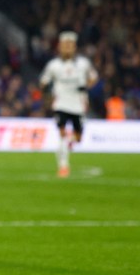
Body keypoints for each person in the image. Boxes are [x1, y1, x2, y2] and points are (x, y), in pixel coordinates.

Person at [39, 31, 99, 178]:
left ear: (74, 47)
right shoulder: (53, 65)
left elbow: (93, 77)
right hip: (60, 104)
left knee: (78, 138)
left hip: (78, 104)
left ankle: (68, 144)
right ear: (59, 47)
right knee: (61, 133)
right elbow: (43, 81)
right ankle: (63, 166)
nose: (67, 48)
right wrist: (47, 91)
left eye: (70, 45)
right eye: (64, 45)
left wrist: (86, 86)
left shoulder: (83, 63)